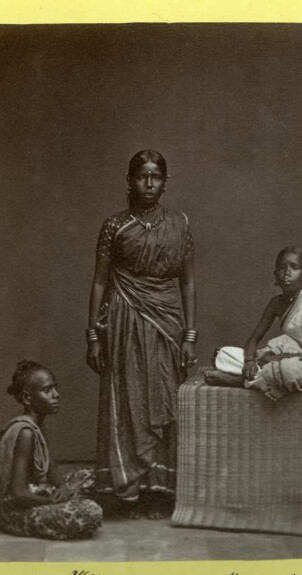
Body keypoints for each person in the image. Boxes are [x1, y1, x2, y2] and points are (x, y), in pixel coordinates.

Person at [86, 149, 197, 518]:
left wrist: (189, 335)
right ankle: (125, 491)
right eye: (142, 176)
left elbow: (188, 283)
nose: (149, 183)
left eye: (156, 177)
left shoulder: (180, 223)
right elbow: (100, 281)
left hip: (167, 323)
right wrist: (93, 336)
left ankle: (158, 492)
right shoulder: (114, 225)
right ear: (130, 180)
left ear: (165, 182)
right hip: (123, 321)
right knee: (127, 399)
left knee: (161, 399)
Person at [205, 246, 302, 401]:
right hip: (283, 357)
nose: (287, 273)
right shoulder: (276, 303)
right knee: (224, 354)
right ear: (275, 274)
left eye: (294, 267)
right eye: (282, 268)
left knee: (289, 370)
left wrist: (282, 358)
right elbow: (254, 339)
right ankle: (260, 376)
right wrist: (249, 361)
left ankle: (238, 381)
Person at [0, 360, 103, 540]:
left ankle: (69, 501)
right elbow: (18, 493)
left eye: (55, 388)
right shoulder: (25, 432)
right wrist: (55, 500)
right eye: (47, 390)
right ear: (27, 398)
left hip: (38, 492)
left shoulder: (37, 424)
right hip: (18, 513)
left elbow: (50, 467)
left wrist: (63, 487)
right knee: (91, 512)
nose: (56, 395)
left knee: (100, 477)